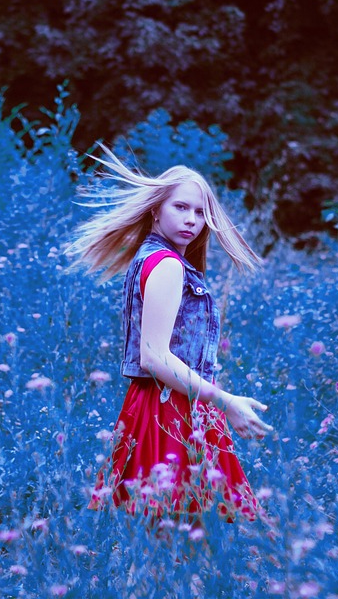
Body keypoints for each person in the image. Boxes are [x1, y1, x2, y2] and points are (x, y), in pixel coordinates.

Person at [68, 145, 273, 523]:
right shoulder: (166, 265)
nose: (192, 220)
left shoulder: (155, 258)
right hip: (169, 409)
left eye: (200, 212)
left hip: (165, 402)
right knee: (188, 529)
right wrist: (226, 401)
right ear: (155, 210)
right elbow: (154, 357)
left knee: (170, 531)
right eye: (180, 207)